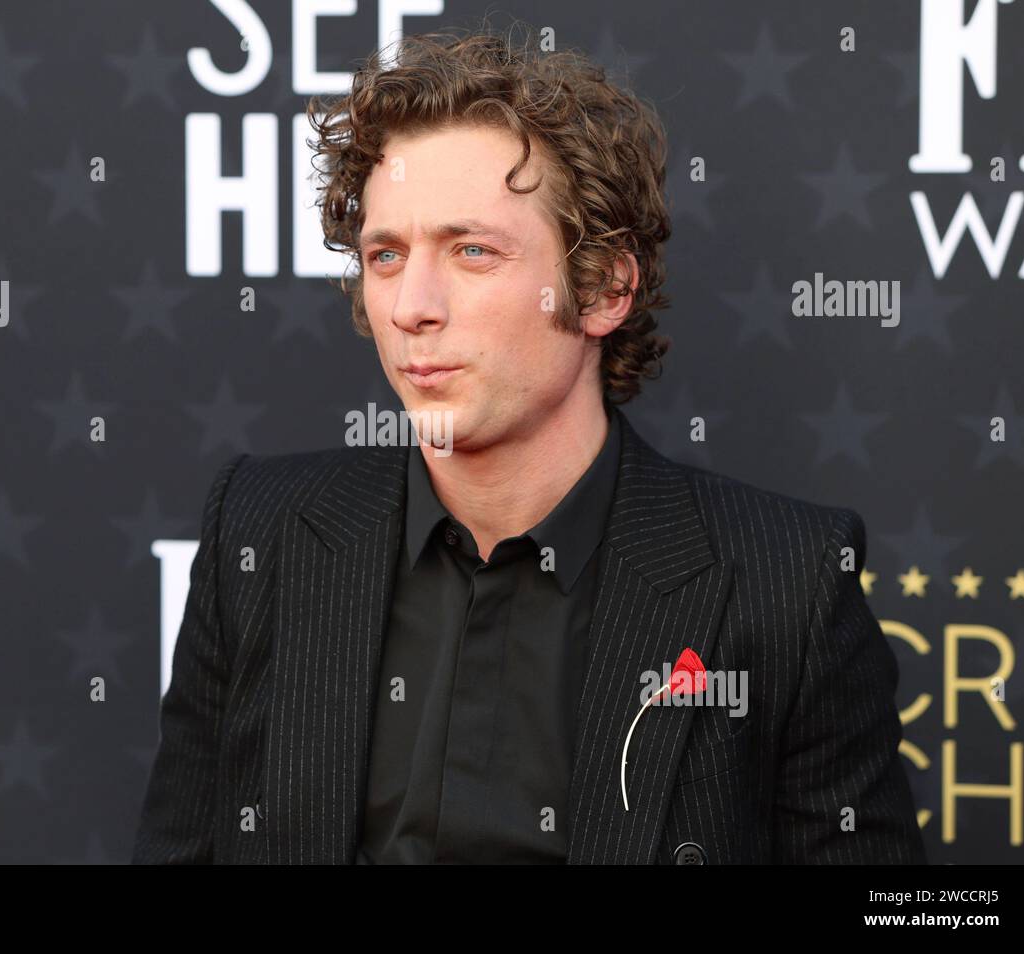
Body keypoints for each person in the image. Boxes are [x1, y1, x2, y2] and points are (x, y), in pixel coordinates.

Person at [132, 23, 926, 864]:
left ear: (602, 291)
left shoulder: (785, 586)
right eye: (387, 254)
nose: (411, 306)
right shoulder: (259, 538)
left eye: (472, 251)